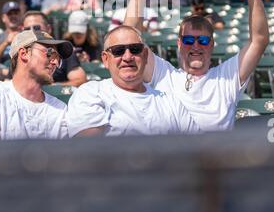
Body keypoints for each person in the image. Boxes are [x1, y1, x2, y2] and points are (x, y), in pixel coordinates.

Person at [123, 0, 269, 132]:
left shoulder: (226, 77)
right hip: (175, 158)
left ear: (212, 44)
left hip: (217, 158)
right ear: (179, 43)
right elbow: (128, 38)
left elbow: (259, 41)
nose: (196, 46)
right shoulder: (164, 75)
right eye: (189, 40)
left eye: (203, 40)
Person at [67, 25, 198, 137]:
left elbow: (197, 146)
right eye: (118, 51)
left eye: (135, 49)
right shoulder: (91, 93)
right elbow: (89, 152)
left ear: (145, 56)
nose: (128, 57)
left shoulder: (170, 102)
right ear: (106, 59)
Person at [0, 28, 73, 140]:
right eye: (50, 53)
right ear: (24, 54)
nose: (55, 62)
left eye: (57, 58)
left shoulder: (60, 109)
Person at [23, 11, 87, 87]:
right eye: (27, 29)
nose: (32, 31)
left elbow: (80, 80)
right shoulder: (18, 56)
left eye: (36, 28)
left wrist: (53, 88)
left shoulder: (62, 51)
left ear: (48, 28)